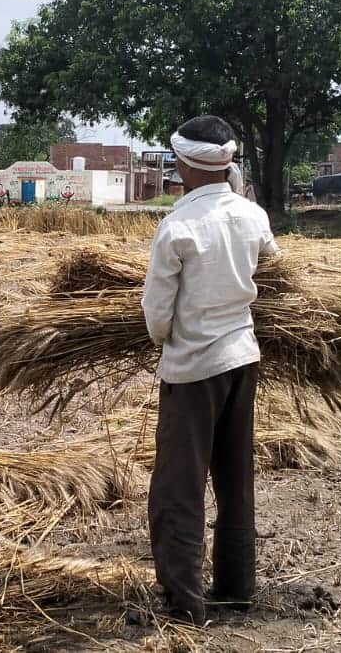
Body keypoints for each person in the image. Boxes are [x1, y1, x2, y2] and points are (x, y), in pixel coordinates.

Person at [141, 115, 277, 624]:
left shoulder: (178, 226)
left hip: (193, 369)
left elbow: (156, 312)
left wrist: (165, 343)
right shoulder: (252, 216)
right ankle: (237, 587)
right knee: (235, 476)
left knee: (178, 486)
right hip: (243, 359)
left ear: (182, 164)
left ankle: (183, 605)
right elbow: (273, 263)